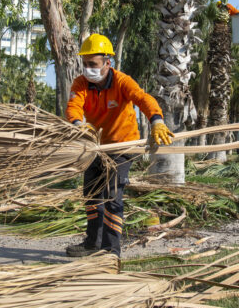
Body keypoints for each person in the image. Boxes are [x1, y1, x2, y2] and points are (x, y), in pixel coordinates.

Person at [65, 34, 173, 258]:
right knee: (92, 195)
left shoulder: (123, 81)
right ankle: (92, 244)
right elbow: (74, 106)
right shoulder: (81, 83)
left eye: (93, 64)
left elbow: (143, 99)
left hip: (124, 146)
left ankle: (110, 251)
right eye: (85, 64)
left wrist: (157, 121)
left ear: (107, 63)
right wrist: (78, 125)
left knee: (112, 196)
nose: (88, 69)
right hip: (96, 147)